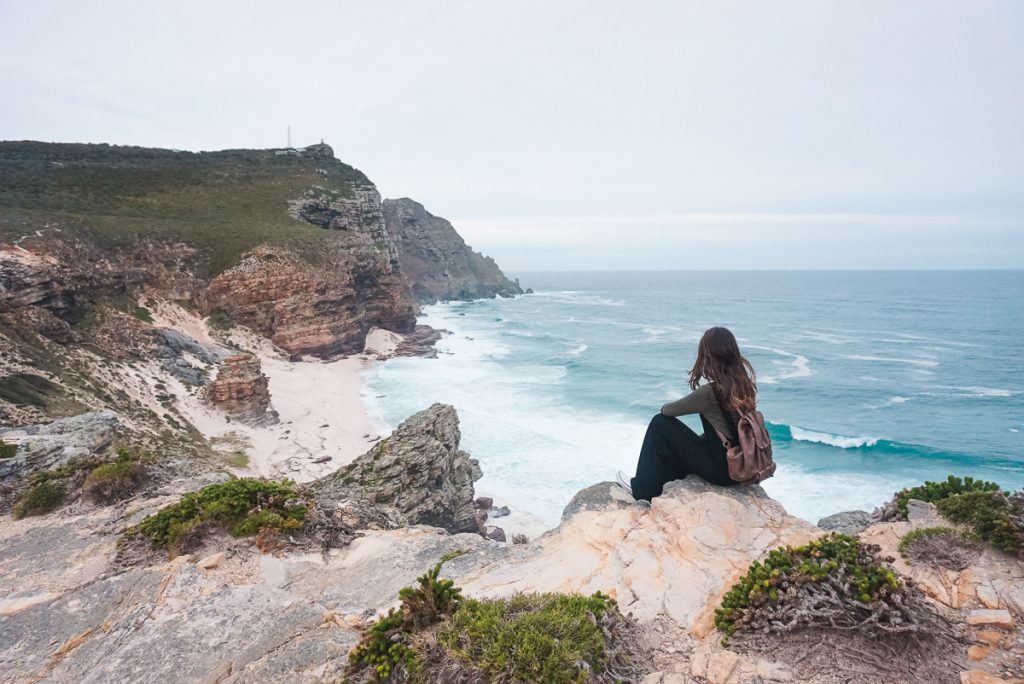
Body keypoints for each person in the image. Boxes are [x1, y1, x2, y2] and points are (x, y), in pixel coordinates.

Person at [616, 326, 758, 501]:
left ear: (708, 356)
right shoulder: (744, 385)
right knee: (697, 440)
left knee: (659, 423)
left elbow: (667, 411)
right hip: (739, 464)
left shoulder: (710, 393)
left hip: (720, 470)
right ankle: (660, 481)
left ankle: (642, 488)